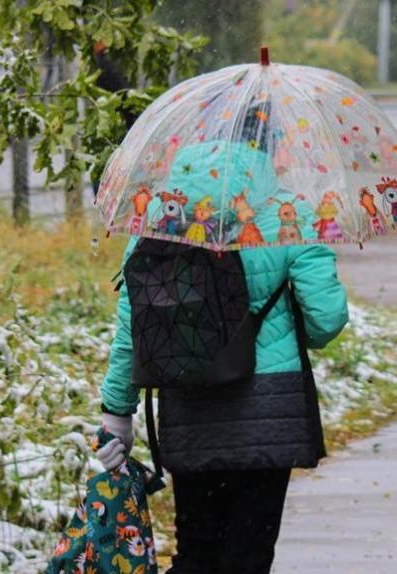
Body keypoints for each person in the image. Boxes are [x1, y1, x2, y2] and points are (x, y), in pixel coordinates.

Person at [97, 141, 350, 571]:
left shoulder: (160, 217)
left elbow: (131, 332)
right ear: (268, 151)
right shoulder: (292, 212)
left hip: (187, 402)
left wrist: (116, 414)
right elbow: (326, 318)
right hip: (269, 411)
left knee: (196, 549)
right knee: (247, 553)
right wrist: (284, 332)